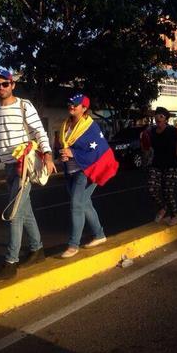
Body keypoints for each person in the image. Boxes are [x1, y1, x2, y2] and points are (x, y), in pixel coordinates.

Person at [0, 69, 57, 279]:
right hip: (9, 168)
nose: (1, 88)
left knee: (14, 213)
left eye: (5, 84)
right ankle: (37, 249)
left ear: (12, 84)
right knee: (26, 211)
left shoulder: (24, 106)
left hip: (25, 166)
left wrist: (49, 155)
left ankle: (10, 262)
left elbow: (39, 132)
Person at [59, 94, 119, 258]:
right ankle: (99, 235)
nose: (71, 106)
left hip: (87, 171)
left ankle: (73, 245)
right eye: (70, 103)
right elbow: (67, 146)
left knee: (76, 204)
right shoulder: (66, 124)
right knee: (85, 204)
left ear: (84, 108)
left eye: (75, 105)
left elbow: (97, 151)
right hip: (70, 171)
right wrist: (65, 155)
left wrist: (73, 153)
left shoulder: (91, 127)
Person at [147, 107, 177, 226]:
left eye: (161, 116)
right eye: (156, 116)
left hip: (172, 164)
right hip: (157, 163)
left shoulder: (172, 130)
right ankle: (162, 208)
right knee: (152, 187)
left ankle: (174, 215)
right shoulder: (152, 131)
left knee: (167, 192)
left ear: (166, 119)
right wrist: (148, 156)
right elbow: (150, 147)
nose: (158, 118)